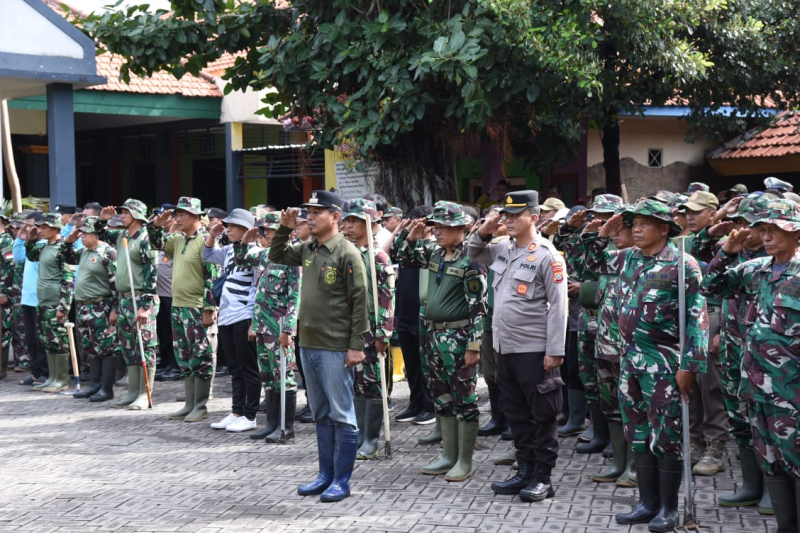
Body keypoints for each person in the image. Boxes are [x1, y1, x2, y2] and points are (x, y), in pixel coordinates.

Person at [586, 200, 708, 532]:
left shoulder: (683, 265)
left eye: (644, 223)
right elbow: (592, 263)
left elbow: (697, 318)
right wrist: (603, 233)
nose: (635, 229)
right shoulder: (627, 258)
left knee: (666, 436)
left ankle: (668, 509)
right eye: (633, 223)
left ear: (665, 229)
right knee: (637, 433)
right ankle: (646, 503)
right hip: (630, 361)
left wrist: (690, 365)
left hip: (665, 364)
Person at [701, 198, 800, 533]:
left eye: (775, 230)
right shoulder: (754, 270)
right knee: (770, 459)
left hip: (792, 390)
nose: (767, 236)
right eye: (763, 230)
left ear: (796, 231)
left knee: (797, 460)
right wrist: (726, 252)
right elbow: (709, 286)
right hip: (756, 387)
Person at [269, 190, 369, 502]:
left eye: (317, 212)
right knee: (320, 412)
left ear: (335, 217)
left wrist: (356, 345)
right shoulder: (309, 247)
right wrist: (284, 228)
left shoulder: (347, 253)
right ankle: (325, 475)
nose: (309, 217)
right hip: (308, 343)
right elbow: (277, 256)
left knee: (342, 413)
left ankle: (342, 480)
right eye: (308, 211)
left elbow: (360, 304)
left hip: (336, 346)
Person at [468, 191, 567, 501]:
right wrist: (487, 227)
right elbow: (472, 250)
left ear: (534, 218)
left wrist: (554, 351)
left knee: (542, 415)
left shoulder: (547, 255)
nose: (508, 221)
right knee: (516, 414)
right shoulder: (503, 249)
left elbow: (559, 306)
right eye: (506, 216)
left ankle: (543, 478)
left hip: (535, 350)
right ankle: (524, 470)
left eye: (515, 216)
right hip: (505, 348)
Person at [690, 193, 774, 512]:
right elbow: (708, 284)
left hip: (770, 358)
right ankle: (751, 485)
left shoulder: (782, 260)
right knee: (739, 418)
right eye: (738, 224)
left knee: (767, 423)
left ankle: (772, 489)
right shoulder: (735, 254)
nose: (742, 230)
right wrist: (723, 247)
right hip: (733, 348)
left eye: (749, 224)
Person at [393, 201, 487, 482]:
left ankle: (464, 460)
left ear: (462, 228)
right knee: (442, 398)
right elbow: (403, 256)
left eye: (446, 227)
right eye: (436, 226)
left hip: (458, 338)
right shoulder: (434, 254)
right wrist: (410, 236)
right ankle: (448, 455)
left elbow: (479, 307)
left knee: (464, 399)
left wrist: (473, 345)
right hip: (433, 336)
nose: (439, 232)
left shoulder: (470, 261)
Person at [150, 198, 218, 422]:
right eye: (177, 214)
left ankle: (201, 405)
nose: (178, 218)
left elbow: (212, 276)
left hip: (197, 306)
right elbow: (155, 243)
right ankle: (189, 404)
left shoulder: (205, 241)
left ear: (197, 217)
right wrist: (157, 225)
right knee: (184, 355)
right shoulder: (178, 239)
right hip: (178, 305)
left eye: (183, 214)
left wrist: (209, 308)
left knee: (201, 355)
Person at [235, 212, 300, 442]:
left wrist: (288, 330)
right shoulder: (263, 255)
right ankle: (272, 423)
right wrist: (243, 242)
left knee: (284, 375)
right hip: (263, 324)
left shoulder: (292, 258)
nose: (267, 233)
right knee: (268, 376)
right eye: (266, 230)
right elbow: (241, 261)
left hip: (279, 326)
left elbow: (295, 296)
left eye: (272, 230)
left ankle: (286, 427)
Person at [679, 190, 730, 475]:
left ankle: (716, 444)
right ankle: (695, 439)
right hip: (689, 317)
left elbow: (730, 291)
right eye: (688, 211)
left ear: (713, 213)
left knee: (711, 384)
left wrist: (722, 331)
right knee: (691, 383)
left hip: (713, 316)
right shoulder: (689, 243)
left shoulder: (725, 245)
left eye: (697, 211)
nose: (690, 216)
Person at [342, 199, 396, 460]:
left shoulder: (377, 256)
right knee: (357, 384)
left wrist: (383, 333)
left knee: (373, 383)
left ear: (370, 223)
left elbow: (387, 297)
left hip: (371, 329)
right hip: (351, 328)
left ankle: (371, 440)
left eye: (354, 221)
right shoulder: (346, 253)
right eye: (347, 221)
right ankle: (360, 435)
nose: (348, 225)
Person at [98, 200, 159, 410]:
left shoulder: (145, 238)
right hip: (124, 298)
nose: (121, 215)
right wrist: (103, 220)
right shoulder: (122, 236)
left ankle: (144, 393)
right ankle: (132, 391)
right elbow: (101, 235)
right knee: (129, 346)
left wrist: (145, 305)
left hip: (141, 298)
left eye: (126, 212)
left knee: (145, 346)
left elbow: (152, 273)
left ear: (137, 216)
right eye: (122, 212)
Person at [203, 209, 259, 432]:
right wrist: (212, 235)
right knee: (234, 368)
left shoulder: (255, 252)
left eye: (234, 226)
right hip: (226, 316)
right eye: (228, 225)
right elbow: (207, 255)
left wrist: (255, 321)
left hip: (244, 315)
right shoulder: (227, 250)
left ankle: (250, 415)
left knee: (248, 368)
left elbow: (257, 286)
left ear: (247, 229)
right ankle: (237, 411)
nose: (229, 229)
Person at [62, 217, 119, 402]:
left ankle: (106, 388)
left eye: (86, 233)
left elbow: (116, 284)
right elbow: (66, 257)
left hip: (101, 306)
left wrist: (115, 310)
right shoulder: (85, 251)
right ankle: (94, 385)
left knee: (106, 347)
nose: (83, 236)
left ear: (97, 234)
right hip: (84, 306)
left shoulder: (107, 252)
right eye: (82, 233)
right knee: (91, 348)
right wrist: (68, 243)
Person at [23, 213, 75, 393]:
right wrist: (30, 240)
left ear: (55, 229)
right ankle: (52, 377)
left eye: (45, 227)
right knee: (48, 340)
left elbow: (68, 279)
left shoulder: (63, 249)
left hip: (55, 301)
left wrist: (64, 306)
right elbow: (31, 256)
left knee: (59, 340)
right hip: (43, 301)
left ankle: (61, 379)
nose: (41, 230)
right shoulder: (45, 247)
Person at [14, 213, 47, 386]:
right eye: (26, 226)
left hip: (40, 299)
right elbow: (18, 258)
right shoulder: (31, 245)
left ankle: (45, 373)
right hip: (27, 298)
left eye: (32, 226)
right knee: (31, 339)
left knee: (42, 340)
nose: (29, 229)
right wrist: (20, 239)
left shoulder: (45, 245)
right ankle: (35, 373)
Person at [0, 214, 14, 379]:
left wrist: (3, 291)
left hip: (2, 291)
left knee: (2, 330)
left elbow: (9, 267)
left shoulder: (5, 240)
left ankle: (1, 368)